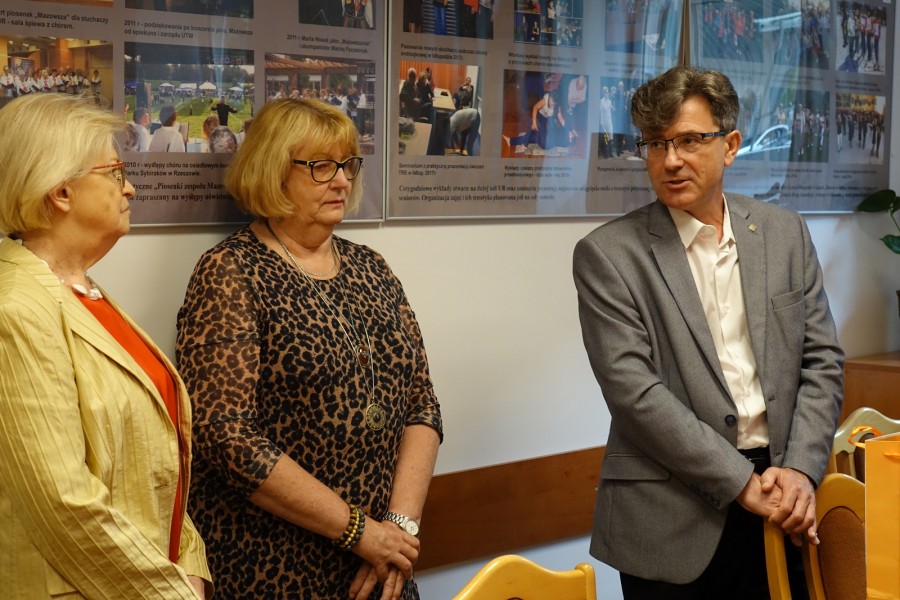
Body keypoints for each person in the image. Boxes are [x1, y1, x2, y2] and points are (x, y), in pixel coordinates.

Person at [572, 66, 844, 599]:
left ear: (731, 145)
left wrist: (801, 470)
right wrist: (739, 482)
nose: (671, 160)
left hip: (786, 496)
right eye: (656, 144)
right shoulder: (608, 255)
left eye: (690, 140)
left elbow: (822, 361)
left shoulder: (784, 233)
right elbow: (635, 395)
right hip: (672, 521)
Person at [176, 98, 443, 600]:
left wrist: (398, 528)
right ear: (273, 172)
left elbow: (421, 402)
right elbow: (226, 436)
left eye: (347, 164)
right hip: (275, 564)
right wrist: (359, 532)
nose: (341, 181)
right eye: (321, 166)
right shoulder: (230, 271)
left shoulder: (372, 267)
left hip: (383, 560)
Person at [0, 93, 212, 598]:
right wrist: (173, 594)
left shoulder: (82, 291)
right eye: (116, 172)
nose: (130, 187)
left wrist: (191, 563)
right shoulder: (16, 309)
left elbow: (155, 463)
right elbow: (62, 503)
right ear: (61, 192)